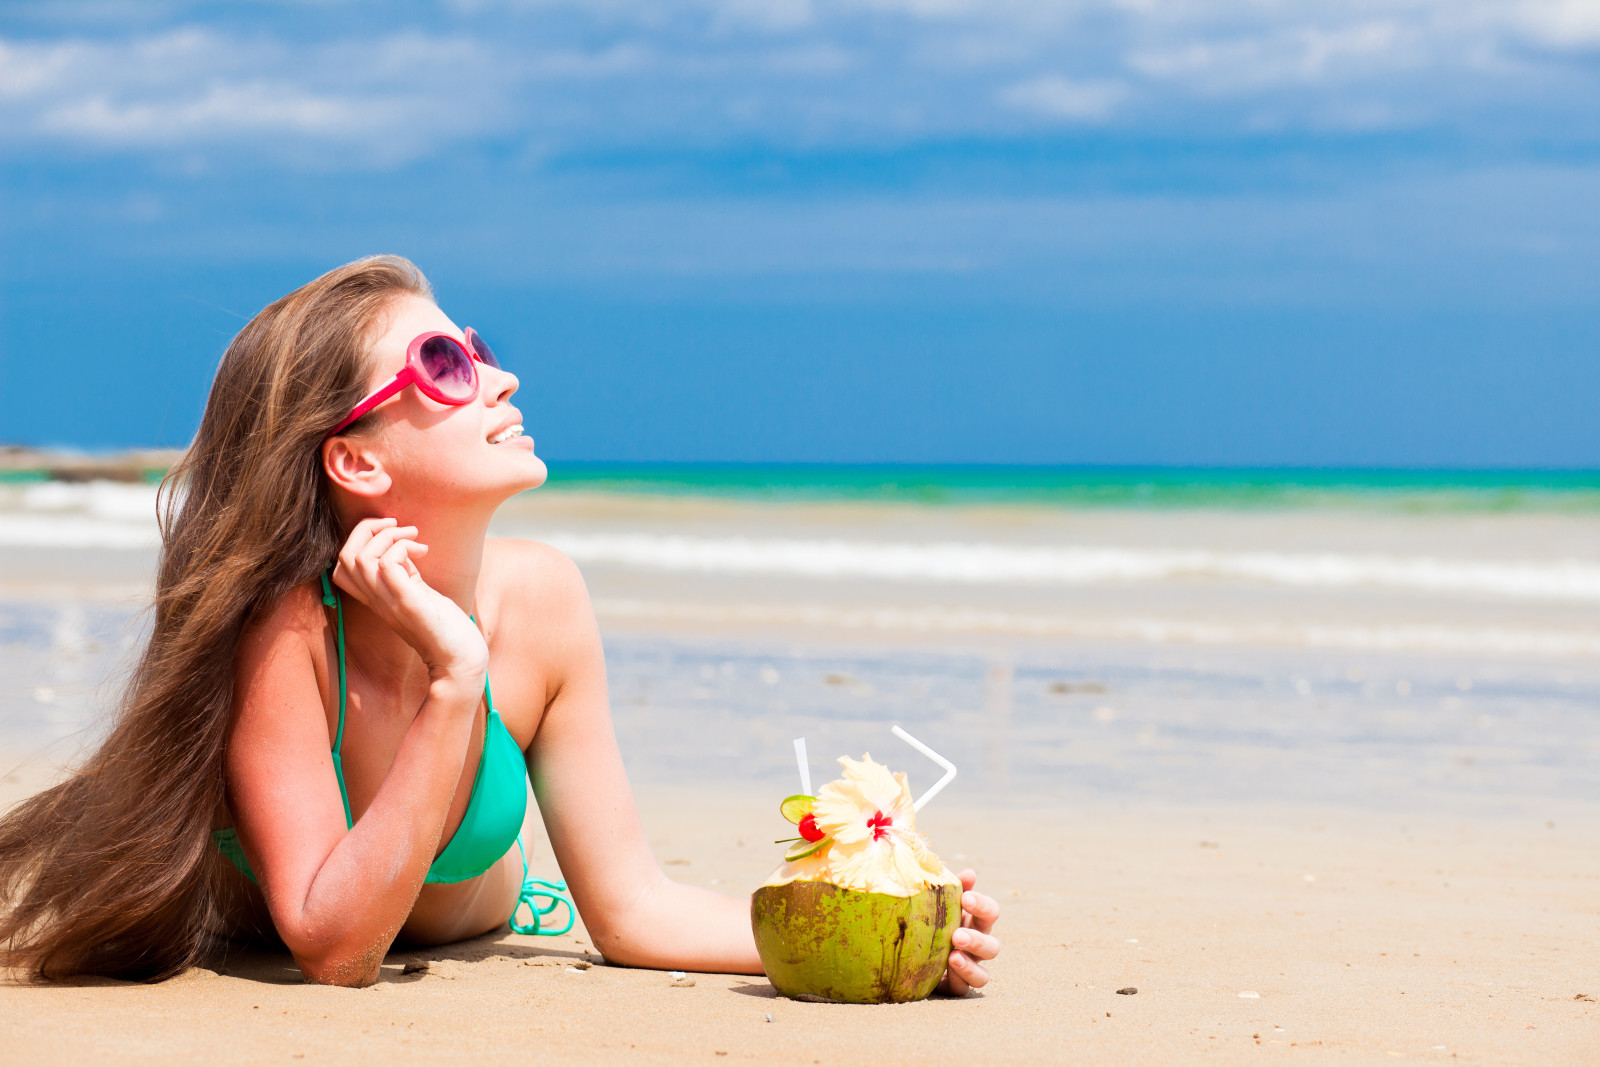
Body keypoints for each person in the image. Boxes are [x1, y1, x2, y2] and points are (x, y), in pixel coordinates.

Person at [0, 255, 1000, 989]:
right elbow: (337, 944)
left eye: (475, 351)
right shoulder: (289, 635)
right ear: (356, 461)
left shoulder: (545, 598)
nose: (499, 377)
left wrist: (864, 929)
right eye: (444, 363)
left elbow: (633, 907)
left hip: (504, 906)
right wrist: (453, 676)